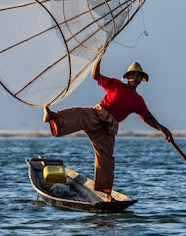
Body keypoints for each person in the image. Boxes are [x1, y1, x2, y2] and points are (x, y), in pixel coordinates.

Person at [43, 55, 173, 201]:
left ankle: (106, 194)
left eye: (138, 76)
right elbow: (95, 75)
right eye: (133, 75)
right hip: (98, 115)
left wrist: (163, 129)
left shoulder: (138, 101)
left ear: (140, 80)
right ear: (128, 77)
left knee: (106, 160)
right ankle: (53, 117)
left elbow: (147, 118)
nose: (135, 78)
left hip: (108, 128)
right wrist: (99, 58)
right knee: (79, 114)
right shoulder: (116, 85)